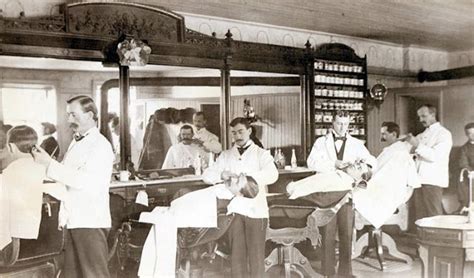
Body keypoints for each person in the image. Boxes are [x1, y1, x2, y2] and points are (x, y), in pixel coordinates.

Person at [32, 95, 114, 278]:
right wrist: (47, 165)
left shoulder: (100, 145)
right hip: (74, 219)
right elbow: (67, 177)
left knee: (95, 274)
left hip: (90, 221)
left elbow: (82, 181)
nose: (69, 120)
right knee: (73, 274)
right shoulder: (77, 142)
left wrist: (49, 164)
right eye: (68, 115)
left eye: (74, 115)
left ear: (90, 115)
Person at [202, 117, 278, 278]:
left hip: (256, 211)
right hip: (235, 211)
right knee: (237, 256)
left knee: (256, 257)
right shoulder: (226, 155)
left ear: (249, 131)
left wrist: (247, 178)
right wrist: (221, 174)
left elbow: (273, 174)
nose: (237, 136)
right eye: (234, 133)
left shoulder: (261, 154)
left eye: (241, 131)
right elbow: (207, 175)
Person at [306, 109, 377, 277]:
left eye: (346, 124)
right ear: (332, 122)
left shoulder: (356, 144)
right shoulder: (320, 142)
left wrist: (364, 165)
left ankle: (346, 272)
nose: (342, 127)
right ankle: (327, 271)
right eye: (339, 123)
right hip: (327, 193)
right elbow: (311, 163)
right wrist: (334, 163)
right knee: (328, 233)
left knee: (346, 234)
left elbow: (372, 160)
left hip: (347, 193)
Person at [405, 104, 452, 220]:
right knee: (420, 216)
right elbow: (415, 154)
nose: (421, 120)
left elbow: (435, 156)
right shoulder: (422, 135)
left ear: (432, 115)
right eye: (419, 117)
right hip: (418, 180)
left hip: (433, 180)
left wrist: (416, 145)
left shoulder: (444, 134)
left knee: (433, 215)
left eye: (424, 116)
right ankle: (423, 238)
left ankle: (437, 238)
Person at [457, 122, 474, 209]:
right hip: (471, 177)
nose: (473, 135)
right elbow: (463, 163)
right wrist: (471, 172)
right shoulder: (464, 148)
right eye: (470, 133)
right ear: (466, 134)